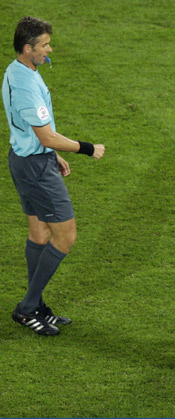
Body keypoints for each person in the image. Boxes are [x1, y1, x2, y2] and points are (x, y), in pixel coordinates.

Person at [2, 16, 105, 336]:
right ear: (27, 48)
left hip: (23, 158)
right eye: (44, 45)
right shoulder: (27, 85)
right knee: (65, 236)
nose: (50, 49)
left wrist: (52, 153)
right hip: (35, 169)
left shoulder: (16, 70)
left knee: (39, 234)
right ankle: (27, 308)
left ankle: (36, 304)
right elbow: (46, 135)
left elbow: (33, 132)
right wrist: (87, 148)